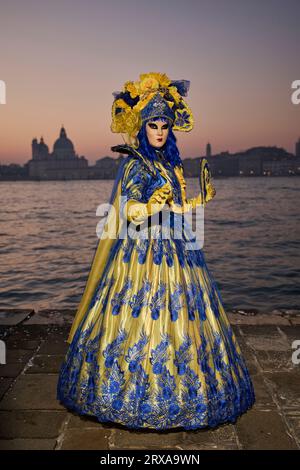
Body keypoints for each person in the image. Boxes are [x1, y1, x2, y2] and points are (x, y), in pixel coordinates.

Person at [56, 72, 255, 430]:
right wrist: (149, 207)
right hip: (141, 250)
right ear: (143, 128)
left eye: (165, 125)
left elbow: (175, 207)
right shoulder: (135, 163)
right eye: (153, 125)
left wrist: (198, 199)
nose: (160, 131)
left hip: (178, 247)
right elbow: (130, 208)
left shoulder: (170, 163)